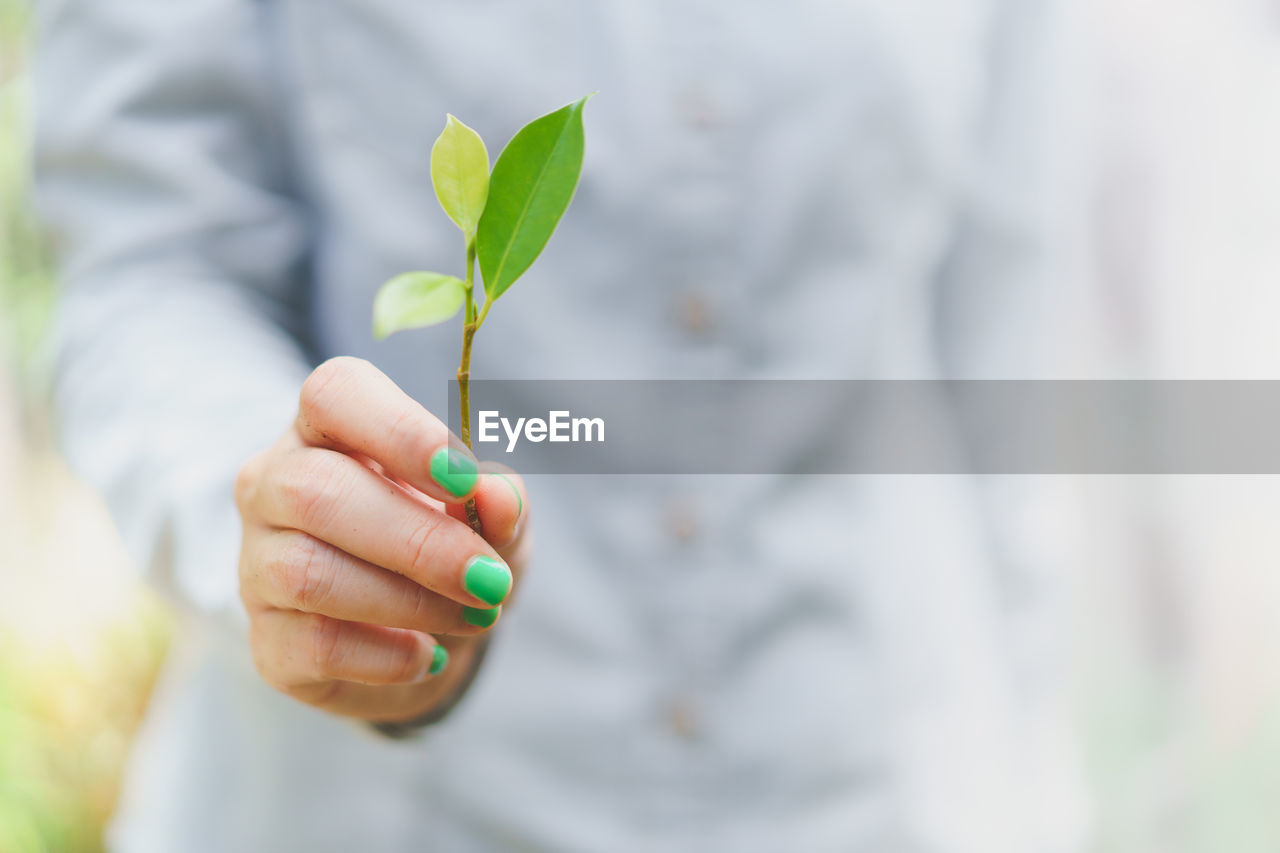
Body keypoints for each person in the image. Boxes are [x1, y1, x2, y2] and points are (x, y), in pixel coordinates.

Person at [34, 1, 1092, 850]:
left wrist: (1036, 787)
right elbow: (150, 265)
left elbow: (1000, 357)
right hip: (385, 805)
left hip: (870, 784)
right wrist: (289, 521)